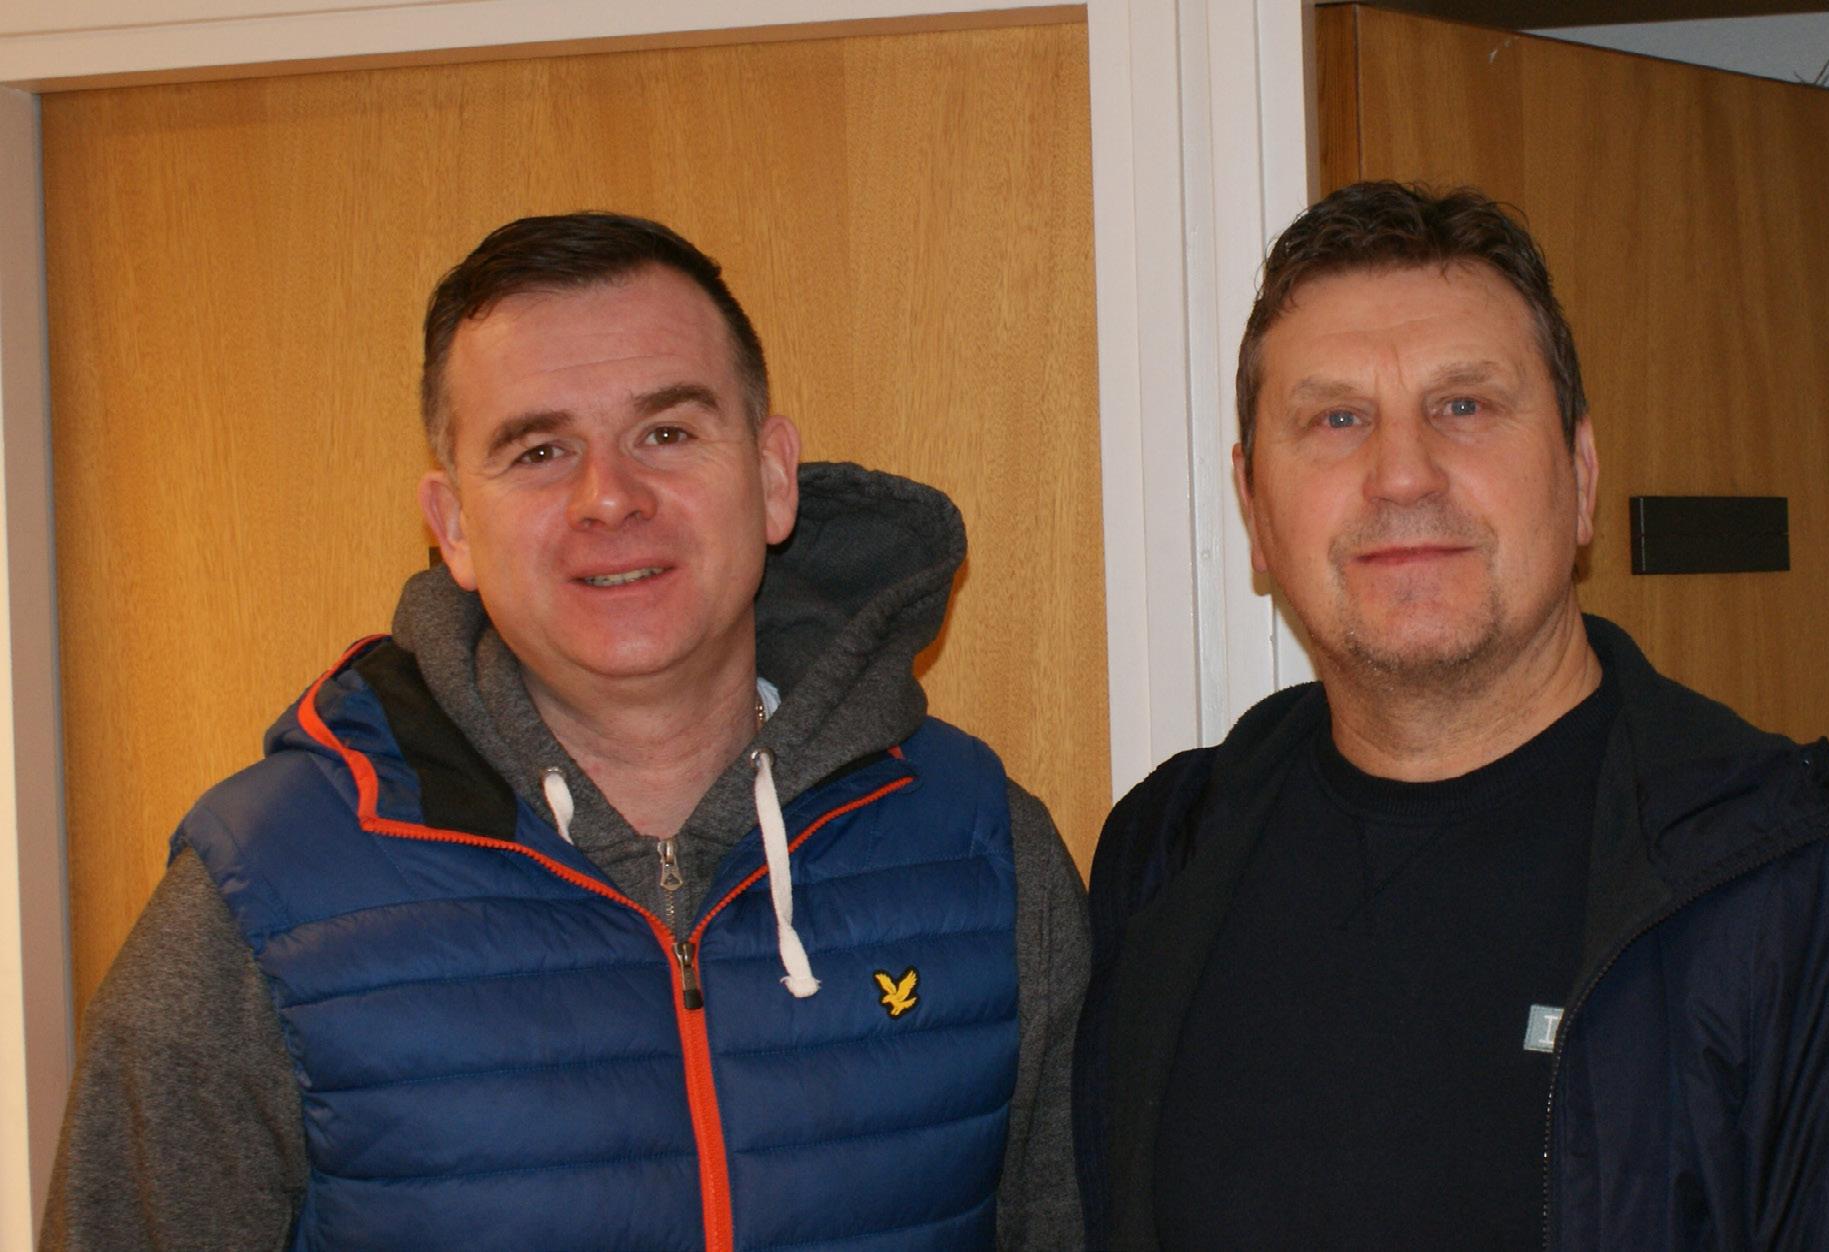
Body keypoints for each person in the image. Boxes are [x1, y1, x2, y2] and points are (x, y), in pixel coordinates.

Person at [43, 212, 1087, 1251]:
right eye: (540, 450)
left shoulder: (981, 850)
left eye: (666, 433)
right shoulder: (265, 894)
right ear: (454, 527)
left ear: (772, 477)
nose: (609, 498)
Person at [1074, 181, 1829, 1250]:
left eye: (1464, 406)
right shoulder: (1164, 854)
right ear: (1255, 509)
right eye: (1336, 418)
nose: (1403, 473)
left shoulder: (1810, 895)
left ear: (1580, 478)